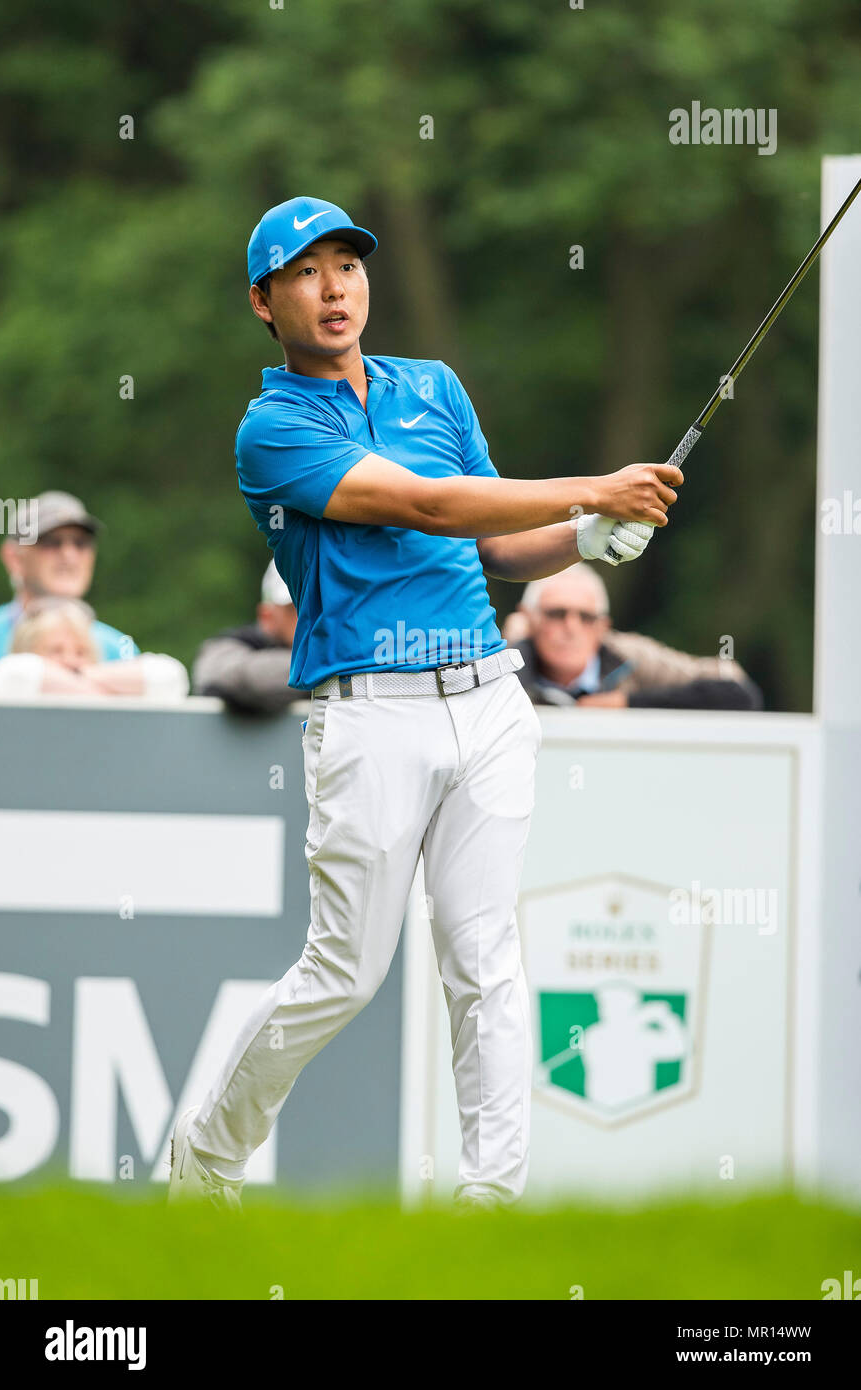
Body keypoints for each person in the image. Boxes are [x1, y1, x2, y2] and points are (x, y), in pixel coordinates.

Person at [167, 194, 683, 1212]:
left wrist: (584, 538)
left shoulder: (432, 387)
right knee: (344, 971)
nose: (333, 288)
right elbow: (421, 503)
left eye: (347, 268)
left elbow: (493, 548)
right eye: (304, 273)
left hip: (489, 697)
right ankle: (206, 1155)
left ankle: (488, 1206)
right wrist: (592, 490)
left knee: (484, 959)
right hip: (371, 713)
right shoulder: (272, 428)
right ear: (262, 301)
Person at [510, 562, 762, 710]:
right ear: (529, 619)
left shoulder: (629, 655)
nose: (571, 627)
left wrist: (627, 702)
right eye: (557, 614)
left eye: (586, 618)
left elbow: (738, 693)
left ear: (603, 627)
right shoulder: (503, 660)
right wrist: (518, 648)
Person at [0, 491, 138, 663]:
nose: (69, 555)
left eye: (81, 543)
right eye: (51, 542)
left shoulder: (119, 650)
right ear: (15, 558)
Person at [0, 597, 188, 701]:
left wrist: (83, 675)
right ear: (26, 650)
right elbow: (15, 673)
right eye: (55, 651)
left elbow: (170, 676)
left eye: (81, 652)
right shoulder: (9, 680)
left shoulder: (94, 678)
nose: (70, 660)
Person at [191, 561, 301, 713]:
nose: (312, 615)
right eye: (297, 605)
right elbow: (236, 679)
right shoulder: (231, 646)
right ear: (267, 616)